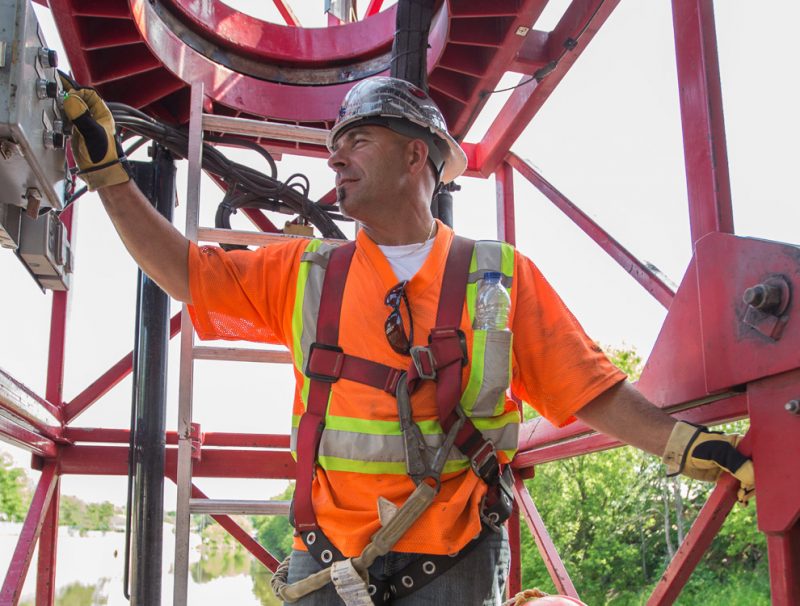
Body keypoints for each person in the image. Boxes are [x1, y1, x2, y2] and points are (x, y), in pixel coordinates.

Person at [60, 76, 754, 605]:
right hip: (327, 566)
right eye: (333, 149)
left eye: (356, 141)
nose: (335, 160)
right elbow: (184, 271)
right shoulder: (304, 271)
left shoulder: (499, 278)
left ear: (416, 153)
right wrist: (108, 176)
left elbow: (589, 389)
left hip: (454, 567)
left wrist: (687, 447)